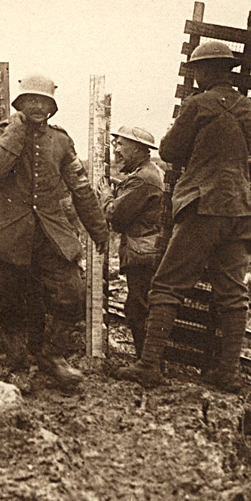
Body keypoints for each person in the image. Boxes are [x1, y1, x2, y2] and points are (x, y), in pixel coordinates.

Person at [118, 41, 251, 391]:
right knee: (233, 293)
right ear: (229, 71)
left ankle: (149, 366)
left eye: (198, 71)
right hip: (241, 210)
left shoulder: (197, 104)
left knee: (166, 285)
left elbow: (170, 150)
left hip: (202, 206)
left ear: (204, 72)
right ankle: (228, 373)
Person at [0, 74, 109, 392]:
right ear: (20, 104)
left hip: (51, 233)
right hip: (11, 233)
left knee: (71, 294)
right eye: (31, 100)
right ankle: (18, 365)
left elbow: (80, 187)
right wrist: (17, 130)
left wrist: (99, 229)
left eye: (43, 101)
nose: (37, 106)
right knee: (12, 303)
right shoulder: (3, 132)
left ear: (52, 106)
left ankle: (53, 357)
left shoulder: (61, 140)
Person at [102, 126, 164, 359]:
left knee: (138, 308)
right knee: (141, 305)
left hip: (142, 253)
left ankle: (146, 361)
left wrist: (107, 194)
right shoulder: (149, 172)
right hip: (148, 250)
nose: (116, 150)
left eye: (121, 145)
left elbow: (115, 216)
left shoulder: (142, 179)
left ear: (138, 149)